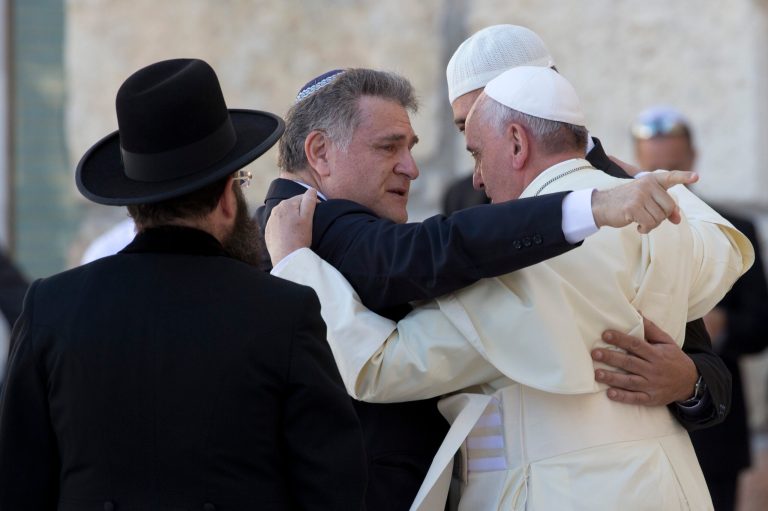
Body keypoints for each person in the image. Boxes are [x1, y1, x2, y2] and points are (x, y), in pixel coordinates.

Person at [266, 67, 753, 510]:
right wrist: (627, 174)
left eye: (476, 150)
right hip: (670, 486)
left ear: (517, 142)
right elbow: (728, 250)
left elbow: (382, 367)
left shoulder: (527, 256)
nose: (475, 176)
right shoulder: (671, 225)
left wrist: (295, 264)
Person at [0, 58, 366, 510]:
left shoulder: (51, 308)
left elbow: (17, 487)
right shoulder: (283, 312)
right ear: (226, 199)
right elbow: (333, 492)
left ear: (135, 206)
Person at [443, 23, 733, 432]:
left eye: (487, 111)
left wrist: (689, 383)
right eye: (463, 126)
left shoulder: (633, 191)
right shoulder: (465, 197)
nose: (476, 135)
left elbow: (701, 364)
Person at [632, 104, 768, 511]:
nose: (668, 181)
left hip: (718, 427)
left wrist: (721, 324)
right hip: (644, 429)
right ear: (637, 165)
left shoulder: (733, 228)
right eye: (656, 170)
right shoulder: (619, 231)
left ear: (692, 160)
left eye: (675, 166)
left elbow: (761, 326)